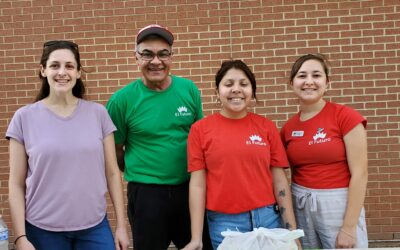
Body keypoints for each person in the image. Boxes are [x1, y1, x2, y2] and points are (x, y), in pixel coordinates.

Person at [7, 40, 130, 250]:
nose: (62, 72)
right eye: (54, 65)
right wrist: (20, 237)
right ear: (43, 71)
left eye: (69, 66)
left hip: (94, 227)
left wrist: (121, 226)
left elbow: (112, 173)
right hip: (42, 229)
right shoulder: (23, 118)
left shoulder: (98, 114)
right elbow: (16, 184)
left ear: (79, 72)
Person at [106, 24, 212, 250]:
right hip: (146, 195)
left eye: (163, 54)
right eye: (147, 54)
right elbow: (115, 151)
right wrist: (144, 169)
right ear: (136, 58)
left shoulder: (189, 90)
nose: (156, 61)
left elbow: (199, 140)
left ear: (171, 57)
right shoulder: (121, 101)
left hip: (189, 190)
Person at [183, 60, 299, 250]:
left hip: (269, 218)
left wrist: (291, 231)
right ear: (217, 91)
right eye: (228, 84)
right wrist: (196, 238)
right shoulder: (200, 130)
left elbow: (279, 181)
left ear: (252, 91)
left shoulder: (266, 127)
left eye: (243, 84)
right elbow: (197, 185)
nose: (236, 89)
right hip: (225, 223)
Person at [280, 53, 368, 249]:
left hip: (338, 205)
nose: (309, 82)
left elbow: (360, 174)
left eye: (316, 75)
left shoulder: (346, 117)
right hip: (301, 203)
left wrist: (349, 227)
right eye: (302, 76)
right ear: (292, 83)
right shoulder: (288, 128)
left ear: (327, 82)